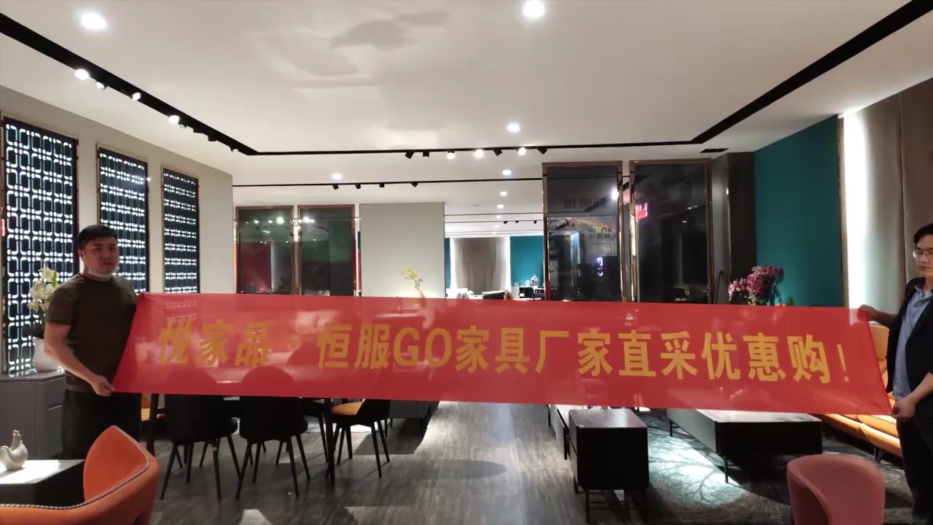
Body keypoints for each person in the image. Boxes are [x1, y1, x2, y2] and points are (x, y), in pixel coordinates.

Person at [44, 225, 141, 459]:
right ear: (82, 254)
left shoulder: (124, 286)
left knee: (128, 462)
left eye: (112, 248)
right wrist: (92, 378)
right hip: (86, 394)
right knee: (86, 464)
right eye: (98, 249)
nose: (107, 255)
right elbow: (52, 346)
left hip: (126, 392)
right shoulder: (68, 293)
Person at [860, 222, 933, 525]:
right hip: (904, 398)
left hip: (925, 403)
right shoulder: (914, 287)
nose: (923, 258)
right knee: (916, 472)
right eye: (919, 251)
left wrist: (914, 399)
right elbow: (904, 325)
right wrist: (877, 315)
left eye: (931, 252)